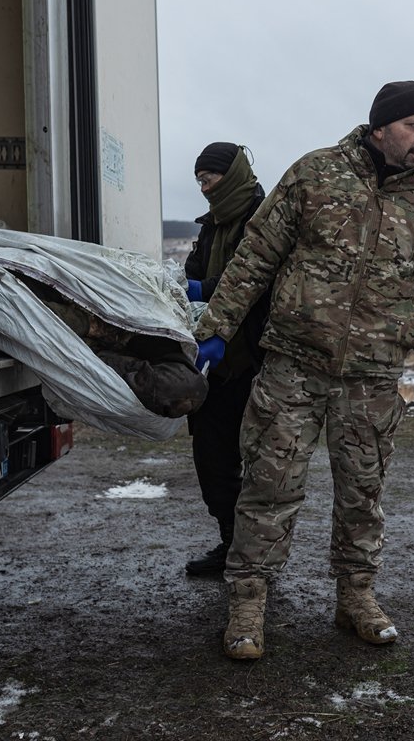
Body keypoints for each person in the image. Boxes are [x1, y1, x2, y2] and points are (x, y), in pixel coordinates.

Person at [193, 81, 414, 660]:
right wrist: (217, 326)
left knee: (362, 494)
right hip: (294, 366)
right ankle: (248, 601)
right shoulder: (315, 175)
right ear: (381, 126)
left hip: (371, 379)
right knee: (269, 486)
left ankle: (357, 597)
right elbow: (258, 254)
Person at [181, 142, 270, 575]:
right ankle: (230, 544)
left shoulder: (264, 215)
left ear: (230, 174)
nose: (203, 187)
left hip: (255, 362)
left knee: (259, 467)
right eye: (198, 180)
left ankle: (255, 558)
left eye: (209, 178)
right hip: (214, 363)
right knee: (212, 460)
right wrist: (188, 284)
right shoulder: (211, 223)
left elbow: (258, 278)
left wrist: (205, 288)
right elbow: (196, 269)